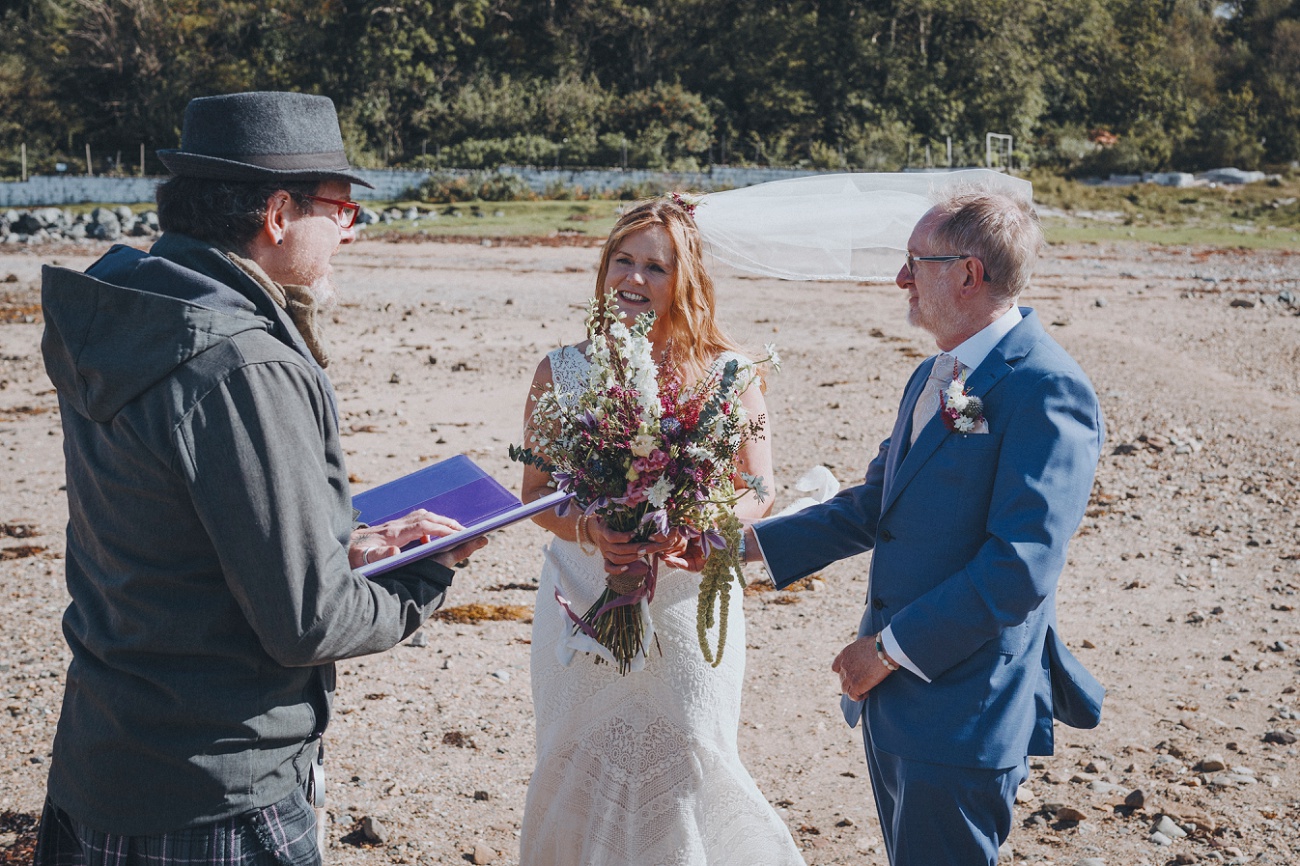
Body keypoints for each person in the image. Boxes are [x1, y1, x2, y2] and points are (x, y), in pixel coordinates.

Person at [35, 91, 485, 865]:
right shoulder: (242, 364)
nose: (350, 231)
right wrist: (425, 577)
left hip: (103, 754)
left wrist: (341, 542)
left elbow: (183, 532)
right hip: (214, 793)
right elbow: (306, 623)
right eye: (343, 208)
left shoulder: (130, 315)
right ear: (278, 212)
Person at [746, 188, 1106, 865]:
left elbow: (1019, 568)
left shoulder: (1048, 388)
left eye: (916, 261)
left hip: (964, 709)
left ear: (968, 273)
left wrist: (885, 651)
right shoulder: (933, 376)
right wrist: (740, 546)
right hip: (897, 707)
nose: (901, 277)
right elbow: (875, 505)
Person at [517, 197, 804, 865]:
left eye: (655, 266)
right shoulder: (559, 372)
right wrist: (591, 528)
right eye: (623, 260)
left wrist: (697, 528)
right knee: (573, 750)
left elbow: (758, 487)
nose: (634, 279)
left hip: (686, 602)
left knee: (694, 750)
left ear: (688, 280)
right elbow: (534, 495)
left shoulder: (733, 375)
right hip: (583, 593)